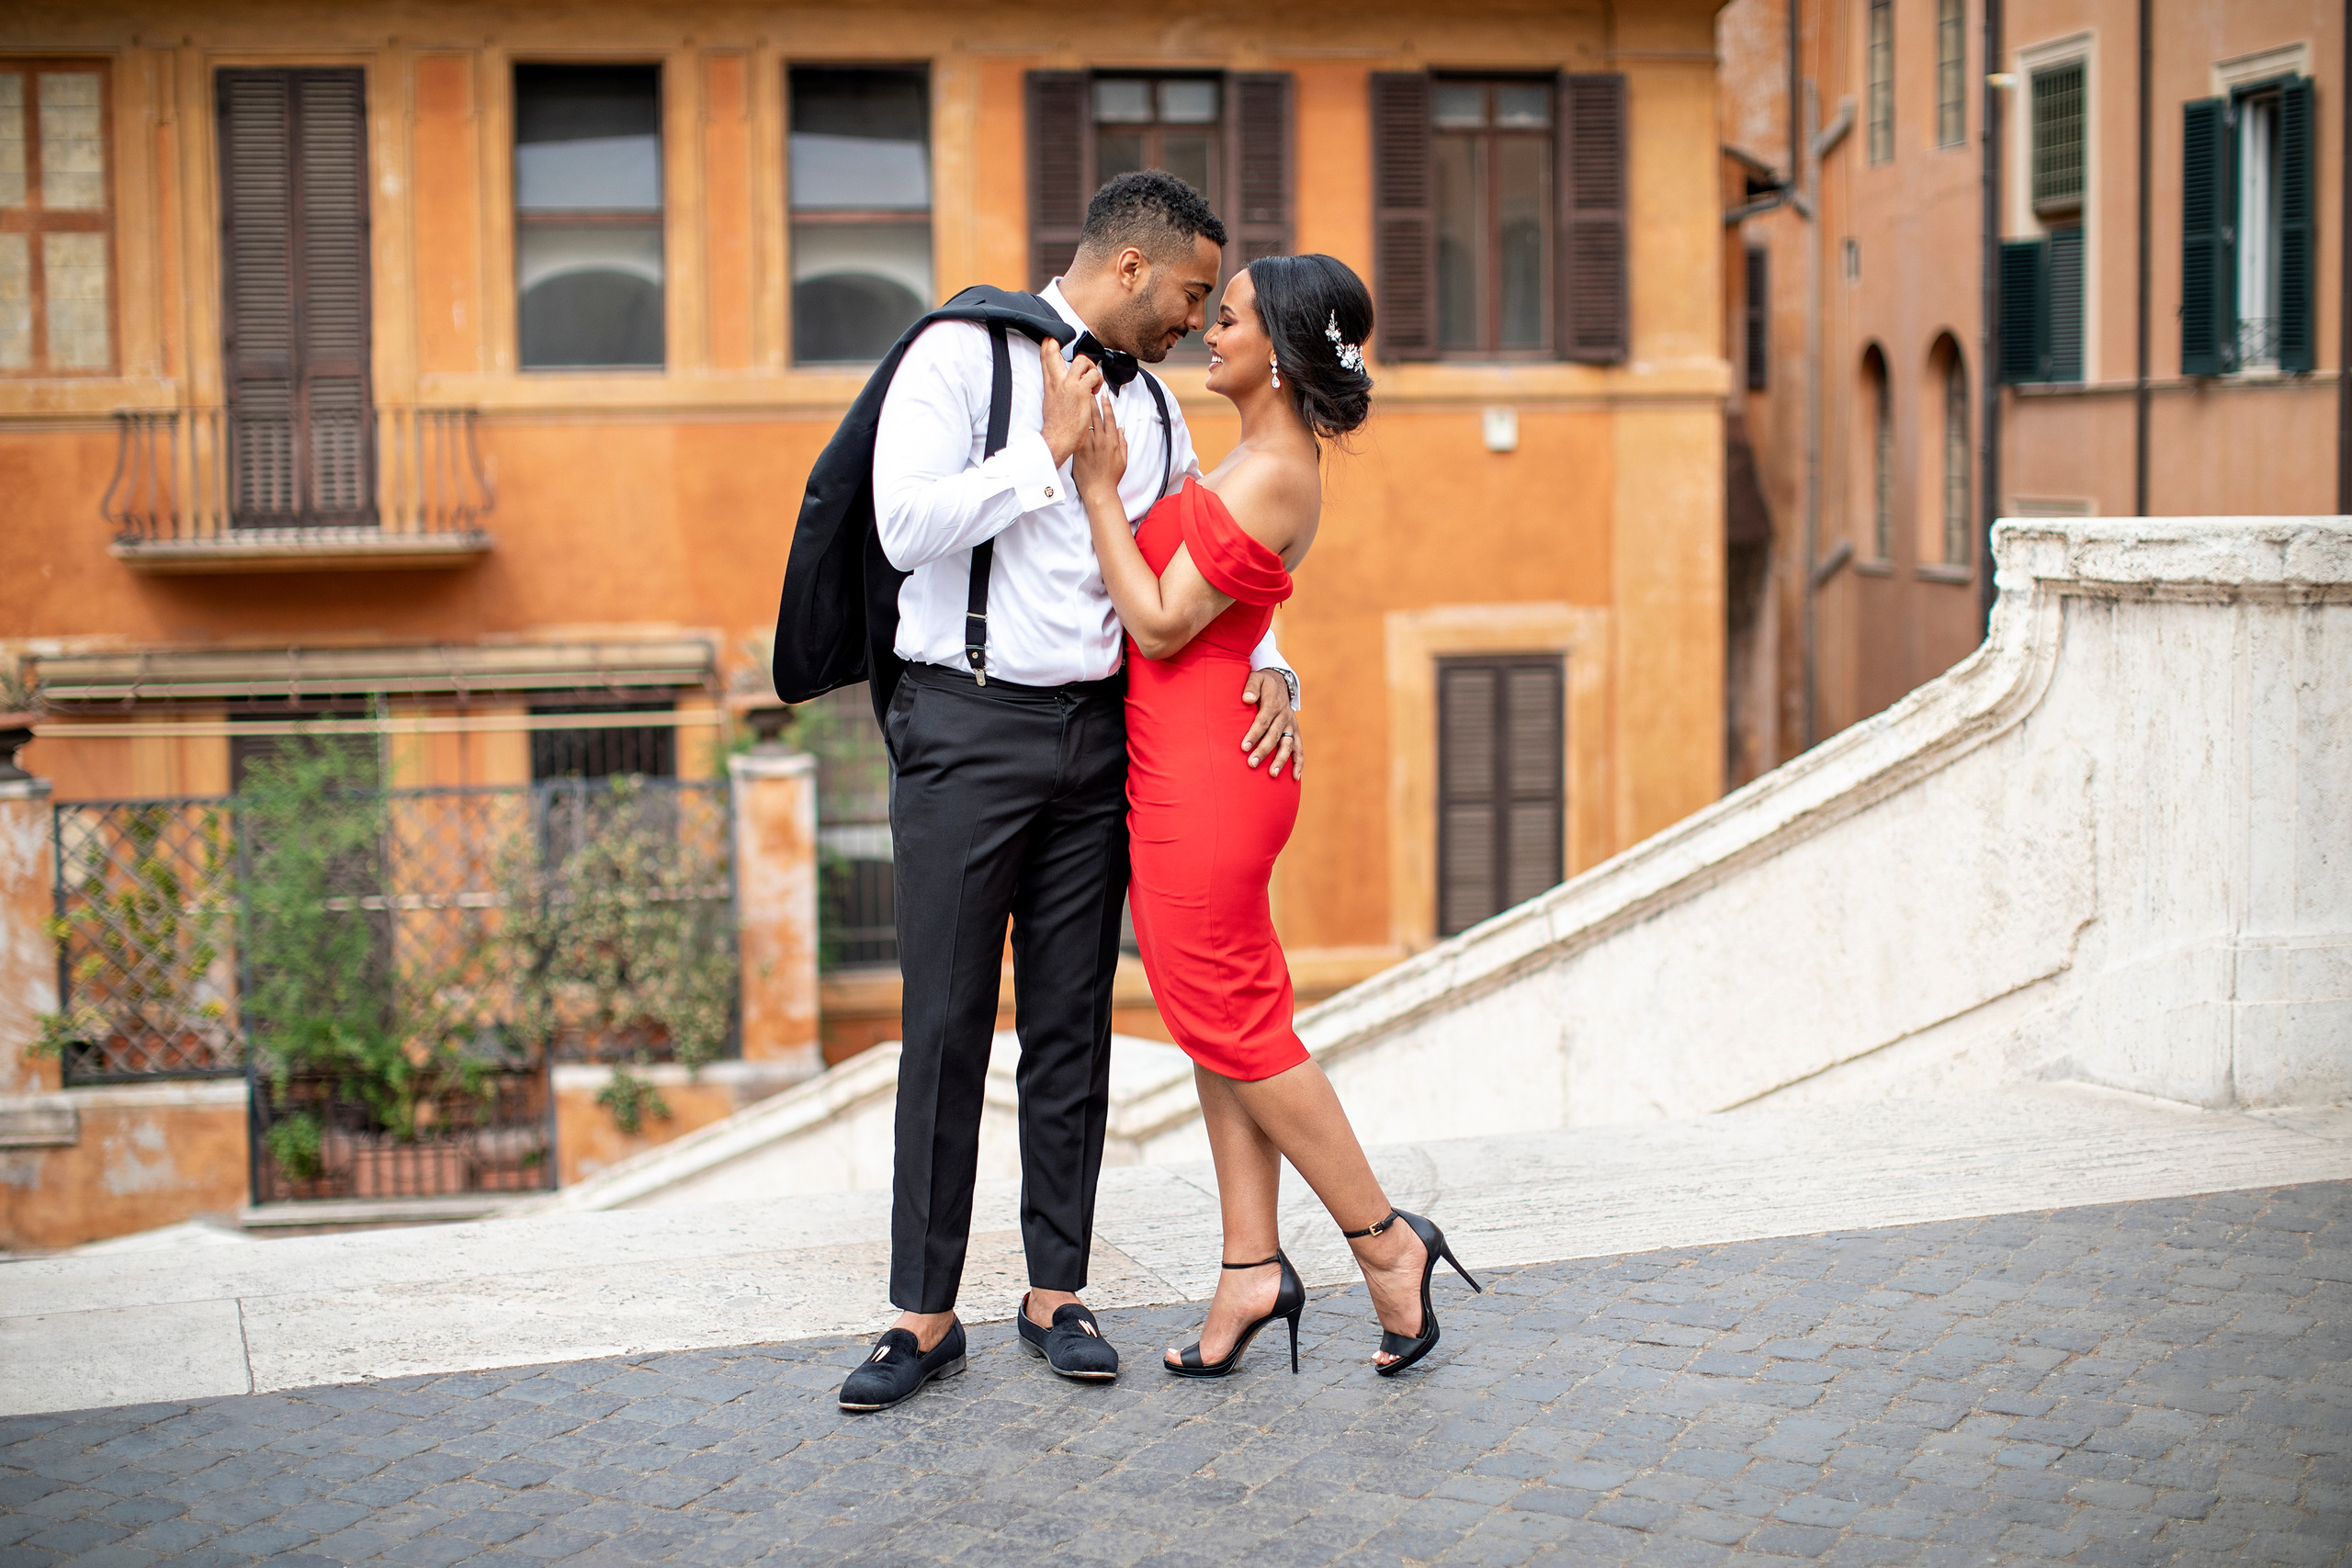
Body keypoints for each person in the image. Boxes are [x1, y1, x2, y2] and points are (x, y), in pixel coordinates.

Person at [835, 172, 1305, 1413]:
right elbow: (901, 526)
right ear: (1132, 268)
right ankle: (923, 1314)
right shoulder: (957, 353)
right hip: (965, 722)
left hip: (1101, 739)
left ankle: (1057, 1291)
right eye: (1192, 294)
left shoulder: (1155, 407)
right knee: (945, 1023)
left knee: (1070, 1022)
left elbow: (1203, 559)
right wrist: (1043, 455)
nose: (1197, 321)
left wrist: (1273, 662)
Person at [1071, 254, 1480, 1379]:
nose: (1211, 330)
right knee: (1218, 1024)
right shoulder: (1247, 460)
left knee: (1238, 1029)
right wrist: (1276, 666)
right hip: (1189, 762)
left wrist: (1098, 490)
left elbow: (1161, 624)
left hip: (1207, 778)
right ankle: (1249, 1268)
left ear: (1284, 353)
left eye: (1232, 317)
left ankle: (1385, 1243)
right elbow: (1232, 620)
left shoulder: (1276, 473)